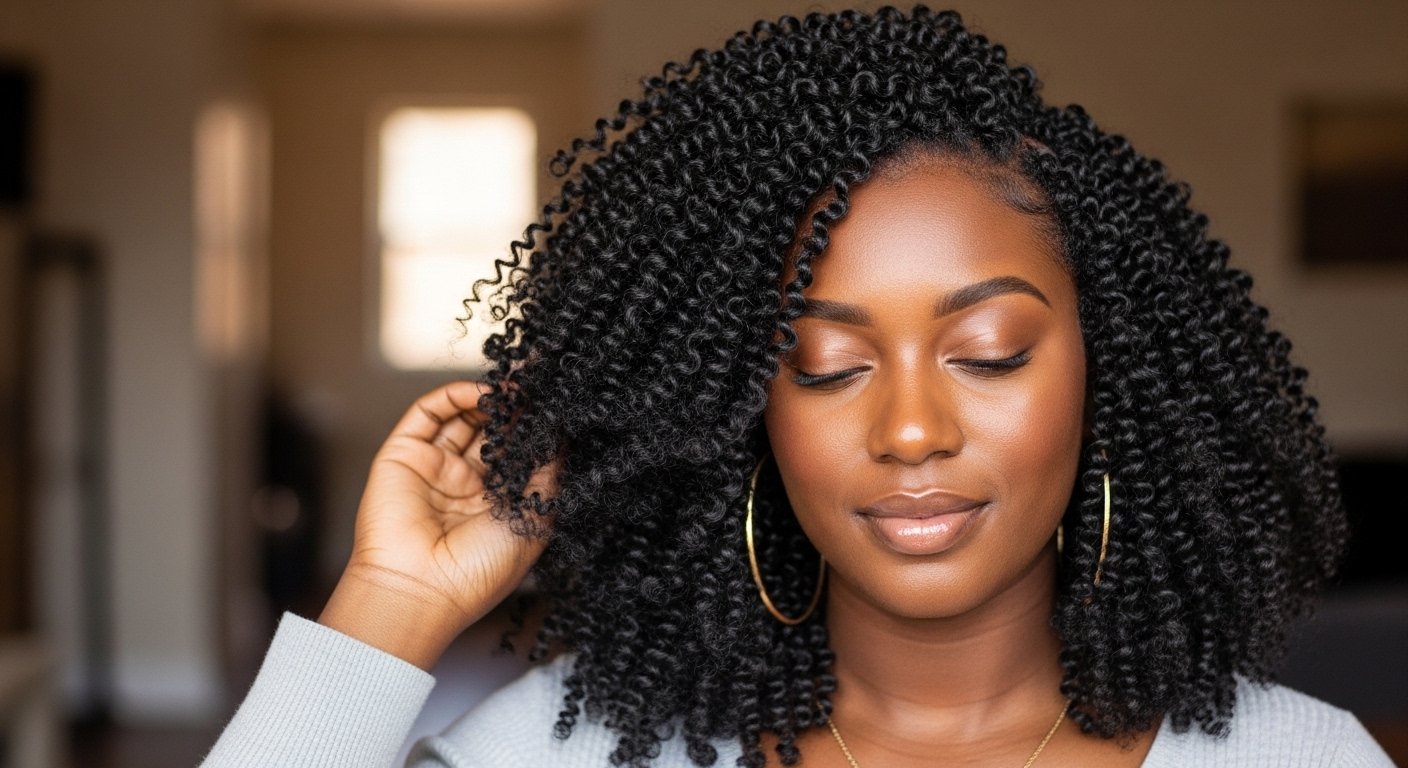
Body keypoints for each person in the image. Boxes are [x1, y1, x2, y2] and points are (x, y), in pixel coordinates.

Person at [199, 6, 1396, 767]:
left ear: (1108, 379)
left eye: (987, 353)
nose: (913, 428)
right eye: (826, 367)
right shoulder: (577, 754)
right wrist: (390, 606)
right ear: (747, 415)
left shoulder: (1295, 760)